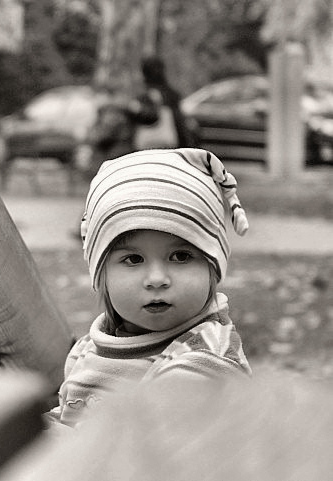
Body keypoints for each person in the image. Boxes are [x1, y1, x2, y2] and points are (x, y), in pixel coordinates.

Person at [49, 148, 252, 427]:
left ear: (212, 267)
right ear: (101, 274)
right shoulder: (91, 347)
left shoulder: (204, 361)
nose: (156, 278)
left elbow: (141, 453)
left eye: (181, 256)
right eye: (133, 259)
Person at [135, 55, 196, 150]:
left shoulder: (143, 97)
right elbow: (180, 124)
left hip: (147, 147)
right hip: (171, 146)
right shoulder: (172, 95)